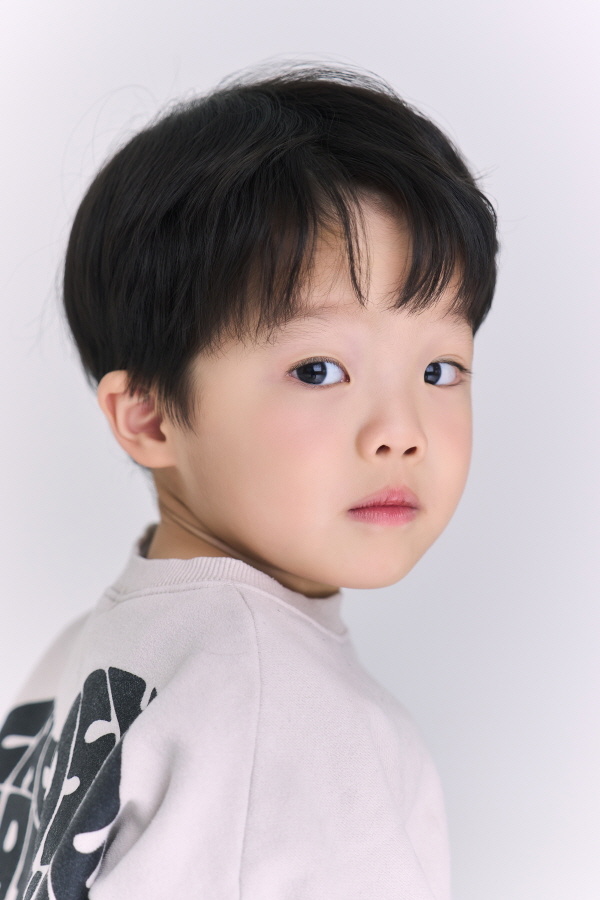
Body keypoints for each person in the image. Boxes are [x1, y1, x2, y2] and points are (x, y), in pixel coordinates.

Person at [0, 64, 498, 900]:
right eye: (318, 369)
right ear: (150, 416)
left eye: (439, 369)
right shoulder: (309, 731)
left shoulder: (92, 658)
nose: (400, 432)